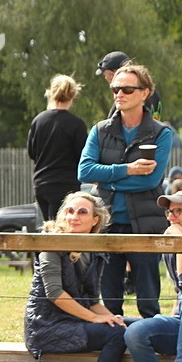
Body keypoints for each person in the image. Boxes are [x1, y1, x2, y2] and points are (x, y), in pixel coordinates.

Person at [77, 63, 172, 319]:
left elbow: (150, 182)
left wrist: (106, 179)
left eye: (127, 89)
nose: (119, 94)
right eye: (115, 89)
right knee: (109, 301)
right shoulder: (100, 130)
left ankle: (153, 350)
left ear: (146, 93)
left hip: (145, 224)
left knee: (149, 301)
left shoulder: (161, 134)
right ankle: (113, 349)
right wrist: (127, 169)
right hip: (106, 223)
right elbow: (84, 172)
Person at [23, 191, 132, 362]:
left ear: (94, 220)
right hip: (47, 326)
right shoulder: (51, 244)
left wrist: (112, 318)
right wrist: (93, 318)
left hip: (75, 319)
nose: (74, 217)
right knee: (115, 333)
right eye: (70, 211)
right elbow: (54, 293)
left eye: (82, 212)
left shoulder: (94, 250)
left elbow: (92, 300)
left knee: (134, 327)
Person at [123, 189, 182, 362]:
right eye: (169, 212)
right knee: (134, 331)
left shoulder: (178, 241)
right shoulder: (173, 243)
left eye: (178, 211)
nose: (171, 217)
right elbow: (181, 291)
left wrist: (181, 243)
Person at [27, 74, 89, 220]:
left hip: (41, 183)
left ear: (51, 93)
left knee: (49, 226)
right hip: (66, 184)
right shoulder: (76, 124)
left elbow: (31, 152)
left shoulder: (38, 121)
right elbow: (83, 156)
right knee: (62, 229)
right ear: (73, 95)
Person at [98, 51, 162, 120]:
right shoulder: (150, 92)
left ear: (112, 75)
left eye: (105, 75)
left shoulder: (127, 100)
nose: (119, 94)